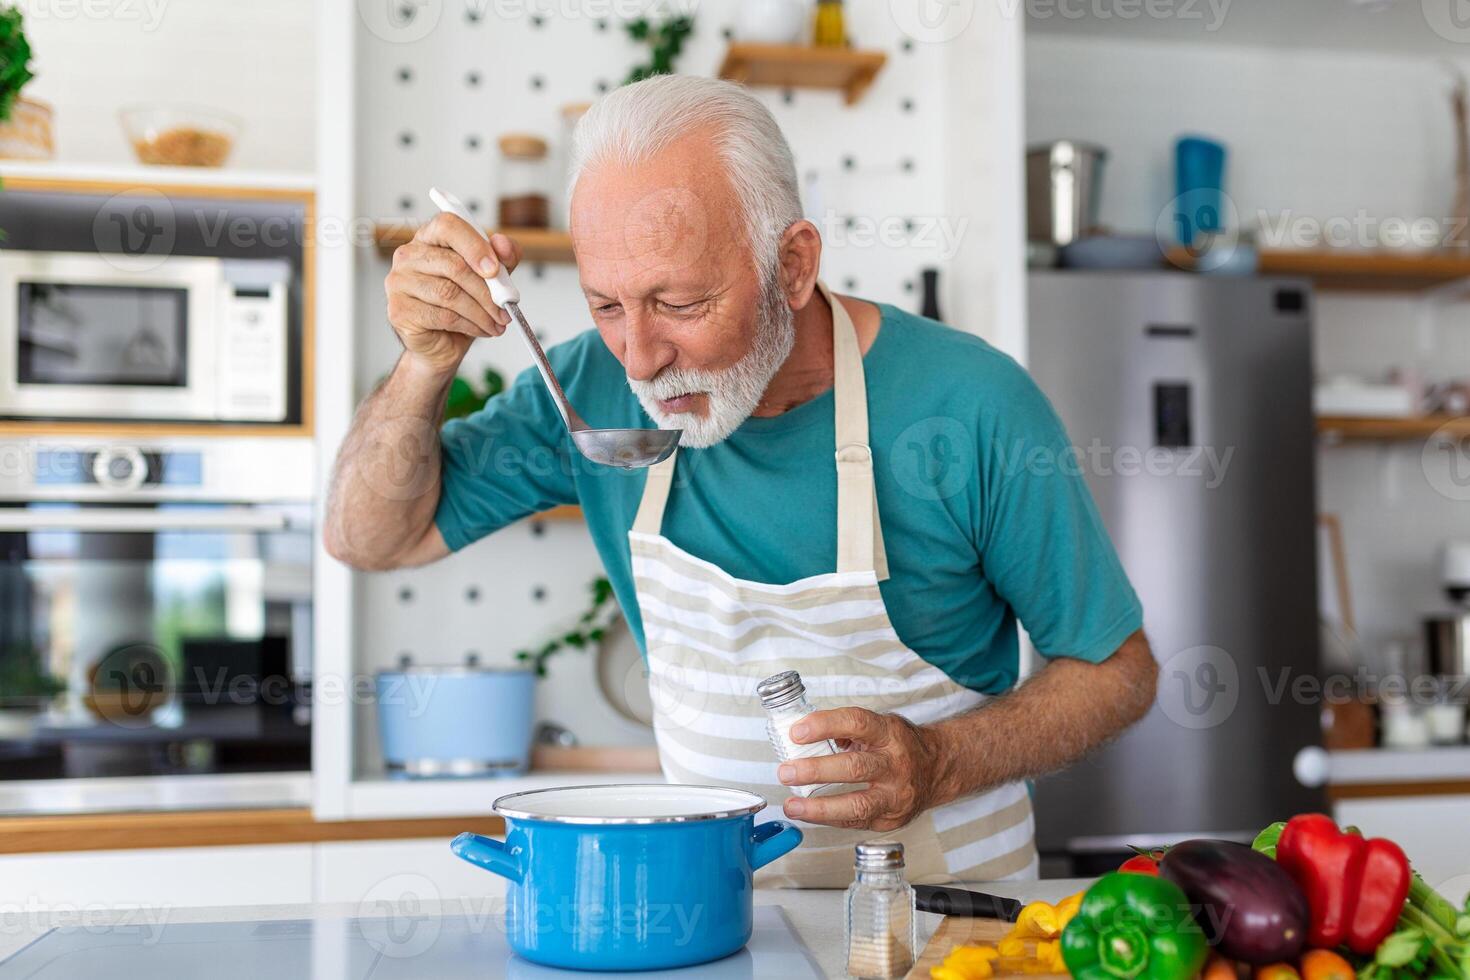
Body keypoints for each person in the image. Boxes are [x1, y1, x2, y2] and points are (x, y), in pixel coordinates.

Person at [326, 74, 1157, 886]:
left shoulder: (970, 405)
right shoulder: (589, 388)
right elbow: (370, 537)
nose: (641, 359)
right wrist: (425, 363)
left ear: (793, 265)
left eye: (680, 304)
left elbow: (1116, 671)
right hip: (723, 918)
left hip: (954, 924)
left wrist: (941, 759)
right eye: (606, 306)